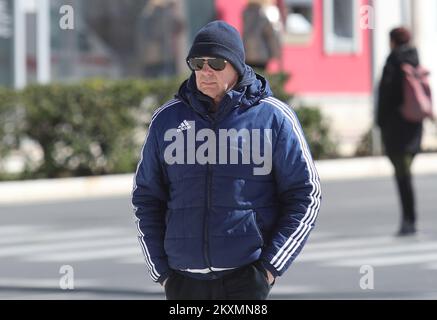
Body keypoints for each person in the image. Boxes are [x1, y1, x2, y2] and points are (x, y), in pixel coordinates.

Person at [132, 20, 321, 300]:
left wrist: (269, 270)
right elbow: (147, 197)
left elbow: (306, 195)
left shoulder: (273, 118)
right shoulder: (167, 120)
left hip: (245, 280)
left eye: (216, 64)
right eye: (198, 63)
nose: (205, 71)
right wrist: (162, 273)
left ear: (236, 65)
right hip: (183, 283)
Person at [377, 27, 422, 236]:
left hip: (396, 129)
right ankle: (409, 219)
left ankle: (409, 220)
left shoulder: (393, 62)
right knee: (406, 175)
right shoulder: (415, 60)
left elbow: (387, 97)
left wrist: (380, 122)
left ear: (393, 41)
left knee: (403, 177)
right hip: (414, 126)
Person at [136, 0, 183, 78]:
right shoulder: (148, 17)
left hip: (166, 56)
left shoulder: (166, 15)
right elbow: (152, 35)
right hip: (154, 57)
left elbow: (178, 27)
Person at [242, 0, 282, 71]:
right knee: (260, 78)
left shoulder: (246, 12)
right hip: (261, 54)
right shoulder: (266, 12)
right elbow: (271, 35)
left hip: (247, 54)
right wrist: (276, 54)